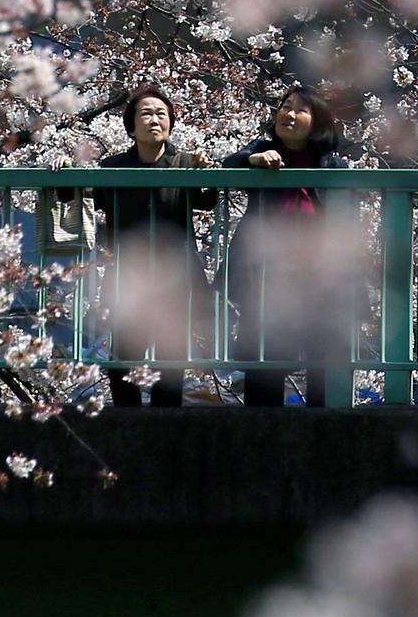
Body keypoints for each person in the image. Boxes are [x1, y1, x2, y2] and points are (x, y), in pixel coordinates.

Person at [221, 87, 350, 407]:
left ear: (317, 122)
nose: (288, 114)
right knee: (265, 361)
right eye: (285, 106)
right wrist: (254, 159)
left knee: (325, 355)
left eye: (300, 110)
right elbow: (228, 165)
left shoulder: (330, 164)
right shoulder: (262, 150)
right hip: (265, 275)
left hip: (318, 277)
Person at [96, 84, 216, 407]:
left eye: (161, 114)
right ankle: (128, 427)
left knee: (170, 363)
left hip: (174, 279)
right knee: (122, 361)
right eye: (146, 113)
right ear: (131, 127)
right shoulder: (112, 169)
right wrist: (63, 166)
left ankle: (166, 433)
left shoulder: (184, 164)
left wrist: (204, 169)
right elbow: (79, 196)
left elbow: (209, 200)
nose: (155, 120)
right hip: (127, 277)